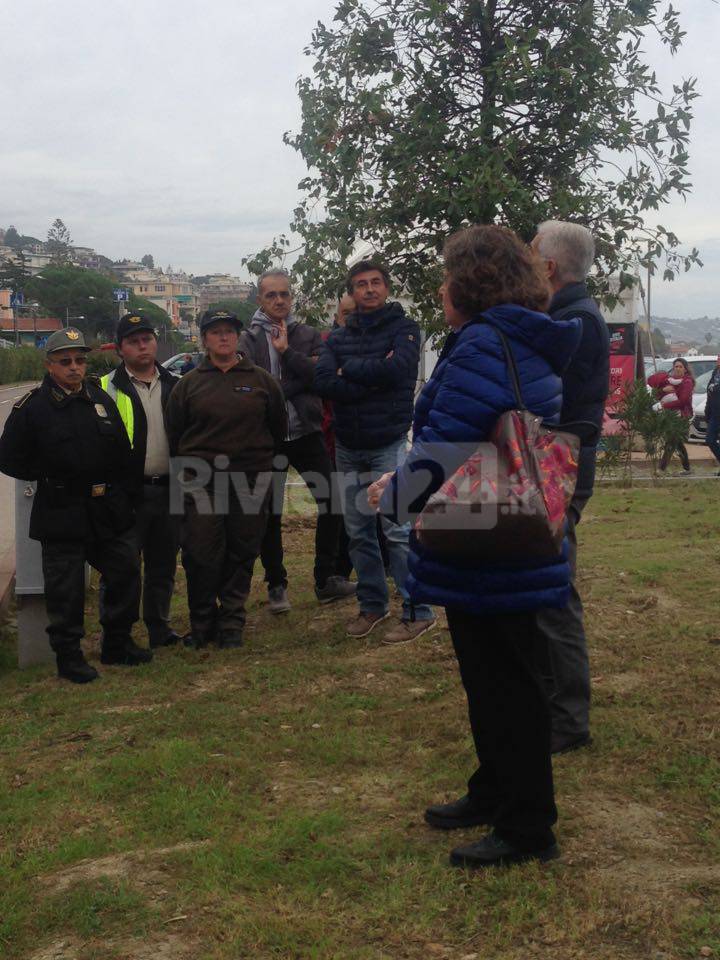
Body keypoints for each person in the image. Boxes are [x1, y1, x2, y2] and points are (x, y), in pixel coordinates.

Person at [372, 225, 580, 867]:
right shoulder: (512, 339)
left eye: (446, 276)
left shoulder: (483, 345)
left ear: (470, 284)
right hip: (501, 532)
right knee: (494, 678)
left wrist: (395, 496)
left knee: (506, 686)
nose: (439, 288)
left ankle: (527, 829)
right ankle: (493, 791)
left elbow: (446, 445)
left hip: (488, 539)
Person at [0, 328, 149, 683]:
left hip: (106, 507)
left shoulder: (99, 399)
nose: (74, 367)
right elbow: (8, 458)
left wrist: (126, 497)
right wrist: (49, 475)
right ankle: (69, 657)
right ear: (49, 364)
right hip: (62, 509)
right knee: (65, 590)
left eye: (80, 360)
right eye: (65, 361)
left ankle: (117, 643)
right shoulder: (32, 408)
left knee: (125, 571)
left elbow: (122, 451)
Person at [315, 260, 435, 643]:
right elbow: (323, 383)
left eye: (375, 283)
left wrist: (346, 371)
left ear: (386, 287)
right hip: (349, 446)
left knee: (397, 530)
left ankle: (418, 610)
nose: (368, 290)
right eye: (361, 284)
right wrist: (370, 375)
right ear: (351, 292)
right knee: (358, 532)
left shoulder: (404, 329)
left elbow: (399, 371)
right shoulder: (336, 337)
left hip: (389, 443)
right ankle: (372, 606)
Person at [530, 221, 610, 754]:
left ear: (550, 267)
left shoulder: (572, 321)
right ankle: (553, 702)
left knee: (554, 585)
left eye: (532, 253)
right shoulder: (569, 314)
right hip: (561, 456)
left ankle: (568, 719)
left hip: (562, 459)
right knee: (542, 578)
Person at [165, 311, 287, 649]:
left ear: (238, 337)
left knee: (242, 551)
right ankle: (202, 623)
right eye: (215, 332)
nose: (223, 338)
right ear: (204, 339)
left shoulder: (262, 381)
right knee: (201, 554)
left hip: (250, 481)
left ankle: (232, 621)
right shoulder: (187, 384)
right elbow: (175, 434)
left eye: (229, 332)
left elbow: (278, 430)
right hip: (200, 482)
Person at [240, 270, 354, 612]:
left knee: (332, 501)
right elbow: (249, 387)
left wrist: (288, 353)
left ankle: (326, 578)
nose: (278, 301)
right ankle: (276, 583)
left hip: (305, 430)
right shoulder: (248, 339)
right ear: (260, 299)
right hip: (268, 437)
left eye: (284, 294)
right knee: (270, 511)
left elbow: (321, 376)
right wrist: (291, 386)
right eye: (271, 295)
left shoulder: (306, 334)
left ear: (292, 298)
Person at [100, 312, 181, 648]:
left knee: (162, 566)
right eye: (133, 341)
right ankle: (117, 633)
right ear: (120, 349)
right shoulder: (104, 388)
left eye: (146, 339)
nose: (142, 346)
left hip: (168, 490)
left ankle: (159, 628)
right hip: (127, 495)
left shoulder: (177, 384)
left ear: (155, 342)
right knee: (121, 567)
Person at [648, 358, 694, 472]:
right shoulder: (669, 381)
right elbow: (657, 394)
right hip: (670, 416)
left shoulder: (687, 382)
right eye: (676, 366)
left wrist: (664, 406)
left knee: (671, 442)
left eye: (680, 366)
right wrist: (663, 389)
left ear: (685, 369)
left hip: (682, 416)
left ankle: (661, 469)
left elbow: (682, 401)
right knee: (677, 443)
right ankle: (687, 468)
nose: (678, 369)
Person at [704, 355, 720, 470]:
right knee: (710, 440)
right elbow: (709, 394)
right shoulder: (715, 372)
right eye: (718, 357)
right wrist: (707, 410)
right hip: (714, 413)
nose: (718, 360)